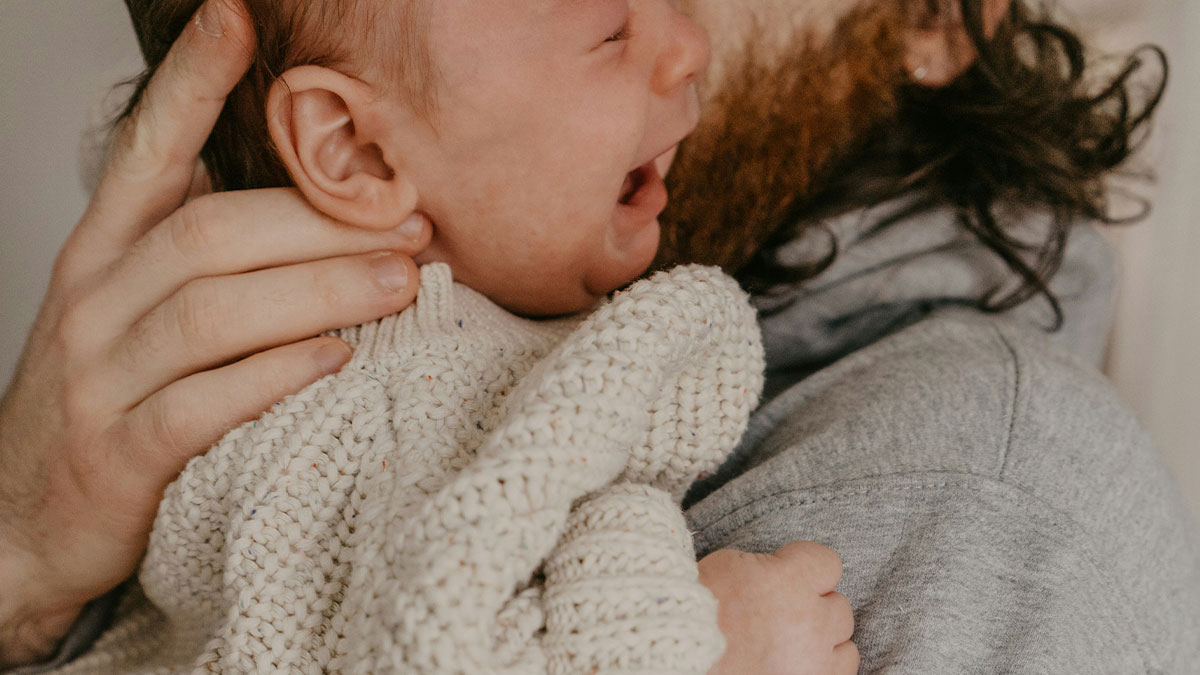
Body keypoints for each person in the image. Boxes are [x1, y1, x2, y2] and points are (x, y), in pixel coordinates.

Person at [2, 0, 1198, 671]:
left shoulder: (987, 517)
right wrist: (22, 567)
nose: (666, 34)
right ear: (351, 146)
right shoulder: (215, 433)